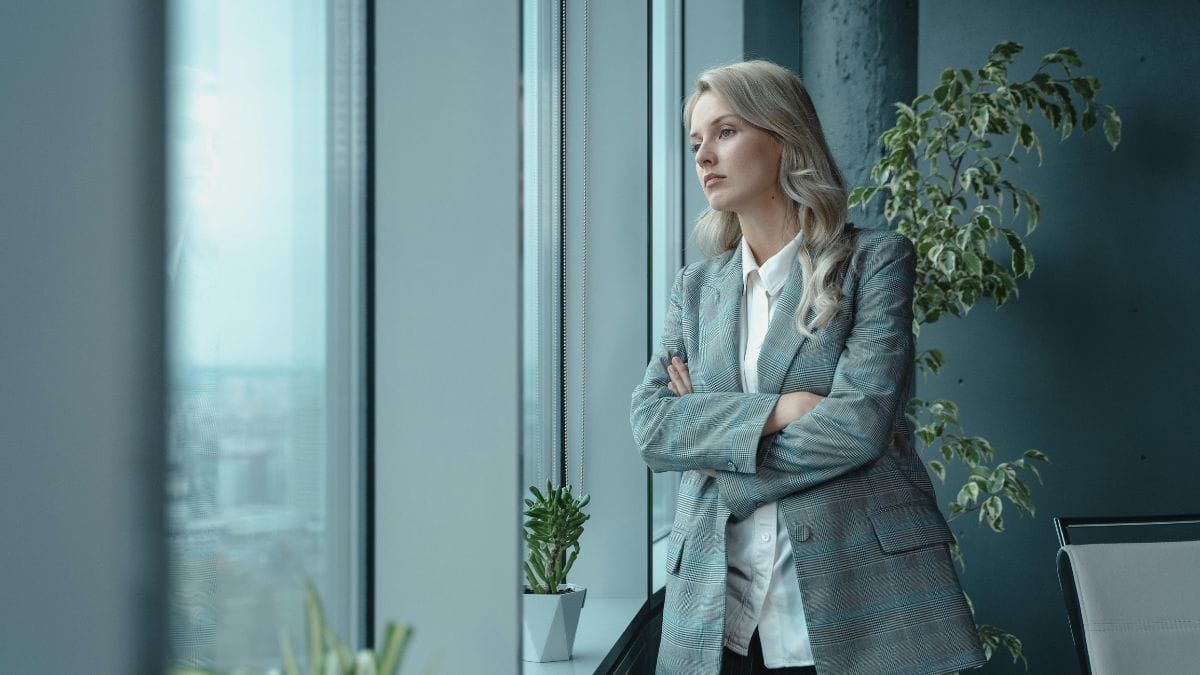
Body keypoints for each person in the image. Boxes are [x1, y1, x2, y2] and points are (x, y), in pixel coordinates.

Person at [629, 60, 987, 675]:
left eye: (726, 132)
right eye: (696, 141)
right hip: (720, 614)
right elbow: (653, 426)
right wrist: (780, 410)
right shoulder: (695, 288)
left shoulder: (875, 260)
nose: (703, 156)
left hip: (861, 601)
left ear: (784, 139)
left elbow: (860, 425)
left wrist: (720, 458)